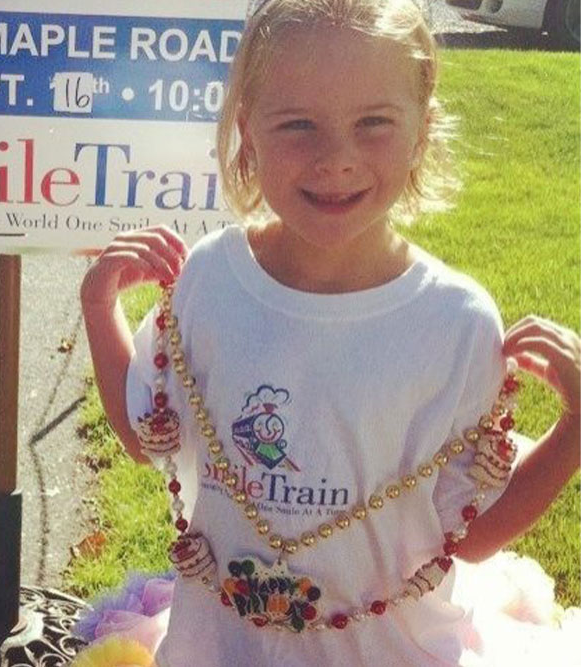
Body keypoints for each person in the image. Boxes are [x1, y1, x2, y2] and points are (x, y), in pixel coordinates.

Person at [74, 0, 580, 665]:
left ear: (422, 132)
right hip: (219, 649)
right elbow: (148, 432)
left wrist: (575, 428)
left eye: (373, 122)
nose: (335, 159)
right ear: (247, 130)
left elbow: (473, 529)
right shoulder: (209, 282)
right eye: (298, 125)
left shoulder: (454, 325)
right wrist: (98, 304)